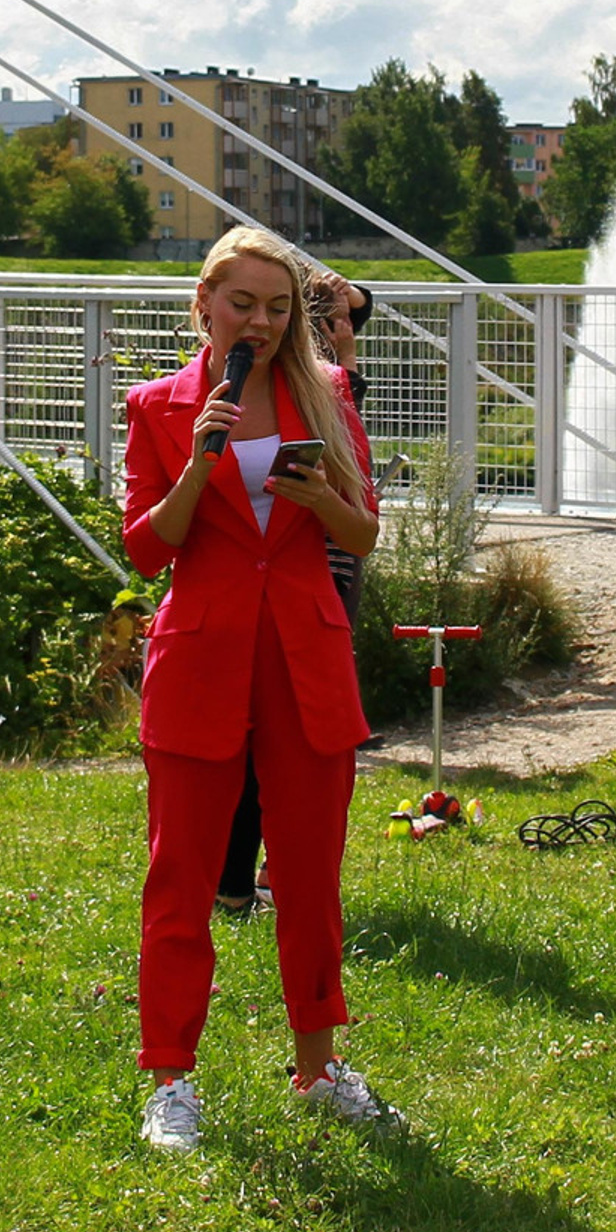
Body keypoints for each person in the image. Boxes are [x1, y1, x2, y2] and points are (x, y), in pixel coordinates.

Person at [124, 227, 386, 1153]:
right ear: (204, 306)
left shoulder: (331, 392)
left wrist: (318, 498)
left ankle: (319, 1067)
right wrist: (199, 462)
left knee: (310, 880)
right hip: (200, 662)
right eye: (244, 304)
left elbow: (361, 538)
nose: (263, 322)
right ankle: (170, 1079)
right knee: (181, 879)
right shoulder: (158, 406)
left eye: (279, 308)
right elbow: (148, 548)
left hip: (306, 662)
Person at [216, 266, 376, 918]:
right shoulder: (308, 390)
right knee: (275, 737)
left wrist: (339, 307)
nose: (348, 331)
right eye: (334, 323)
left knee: (299, 738)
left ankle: (266, 880)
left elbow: (360, 517)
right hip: (311, 575)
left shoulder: (327, 389)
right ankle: (252, 882)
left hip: (334, 564)